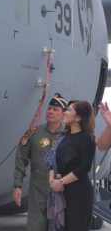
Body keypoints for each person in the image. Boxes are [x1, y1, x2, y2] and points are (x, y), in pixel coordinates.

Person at [13, 93, 67, 231]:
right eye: (49, 108)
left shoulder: (68, 135)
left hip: (62, 189)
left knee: (59, 226)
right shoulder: (33, 133)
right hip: (38, 188)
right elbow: (21, 159)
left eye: (55, 110)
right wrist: (17, 185)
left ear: (63, 114)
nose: (50, 112)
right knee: (36, 225)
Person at [49, 100, 95, 231]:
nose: (65, 112)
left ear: (78, 117)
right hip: (60, 191)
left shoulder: (87, 138)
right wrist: (52, 181)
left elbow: (84, 167)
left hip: (78, 192)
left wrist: (62, 181)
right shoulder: (63, 136)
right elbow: (52, 159)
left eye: (69, 110)